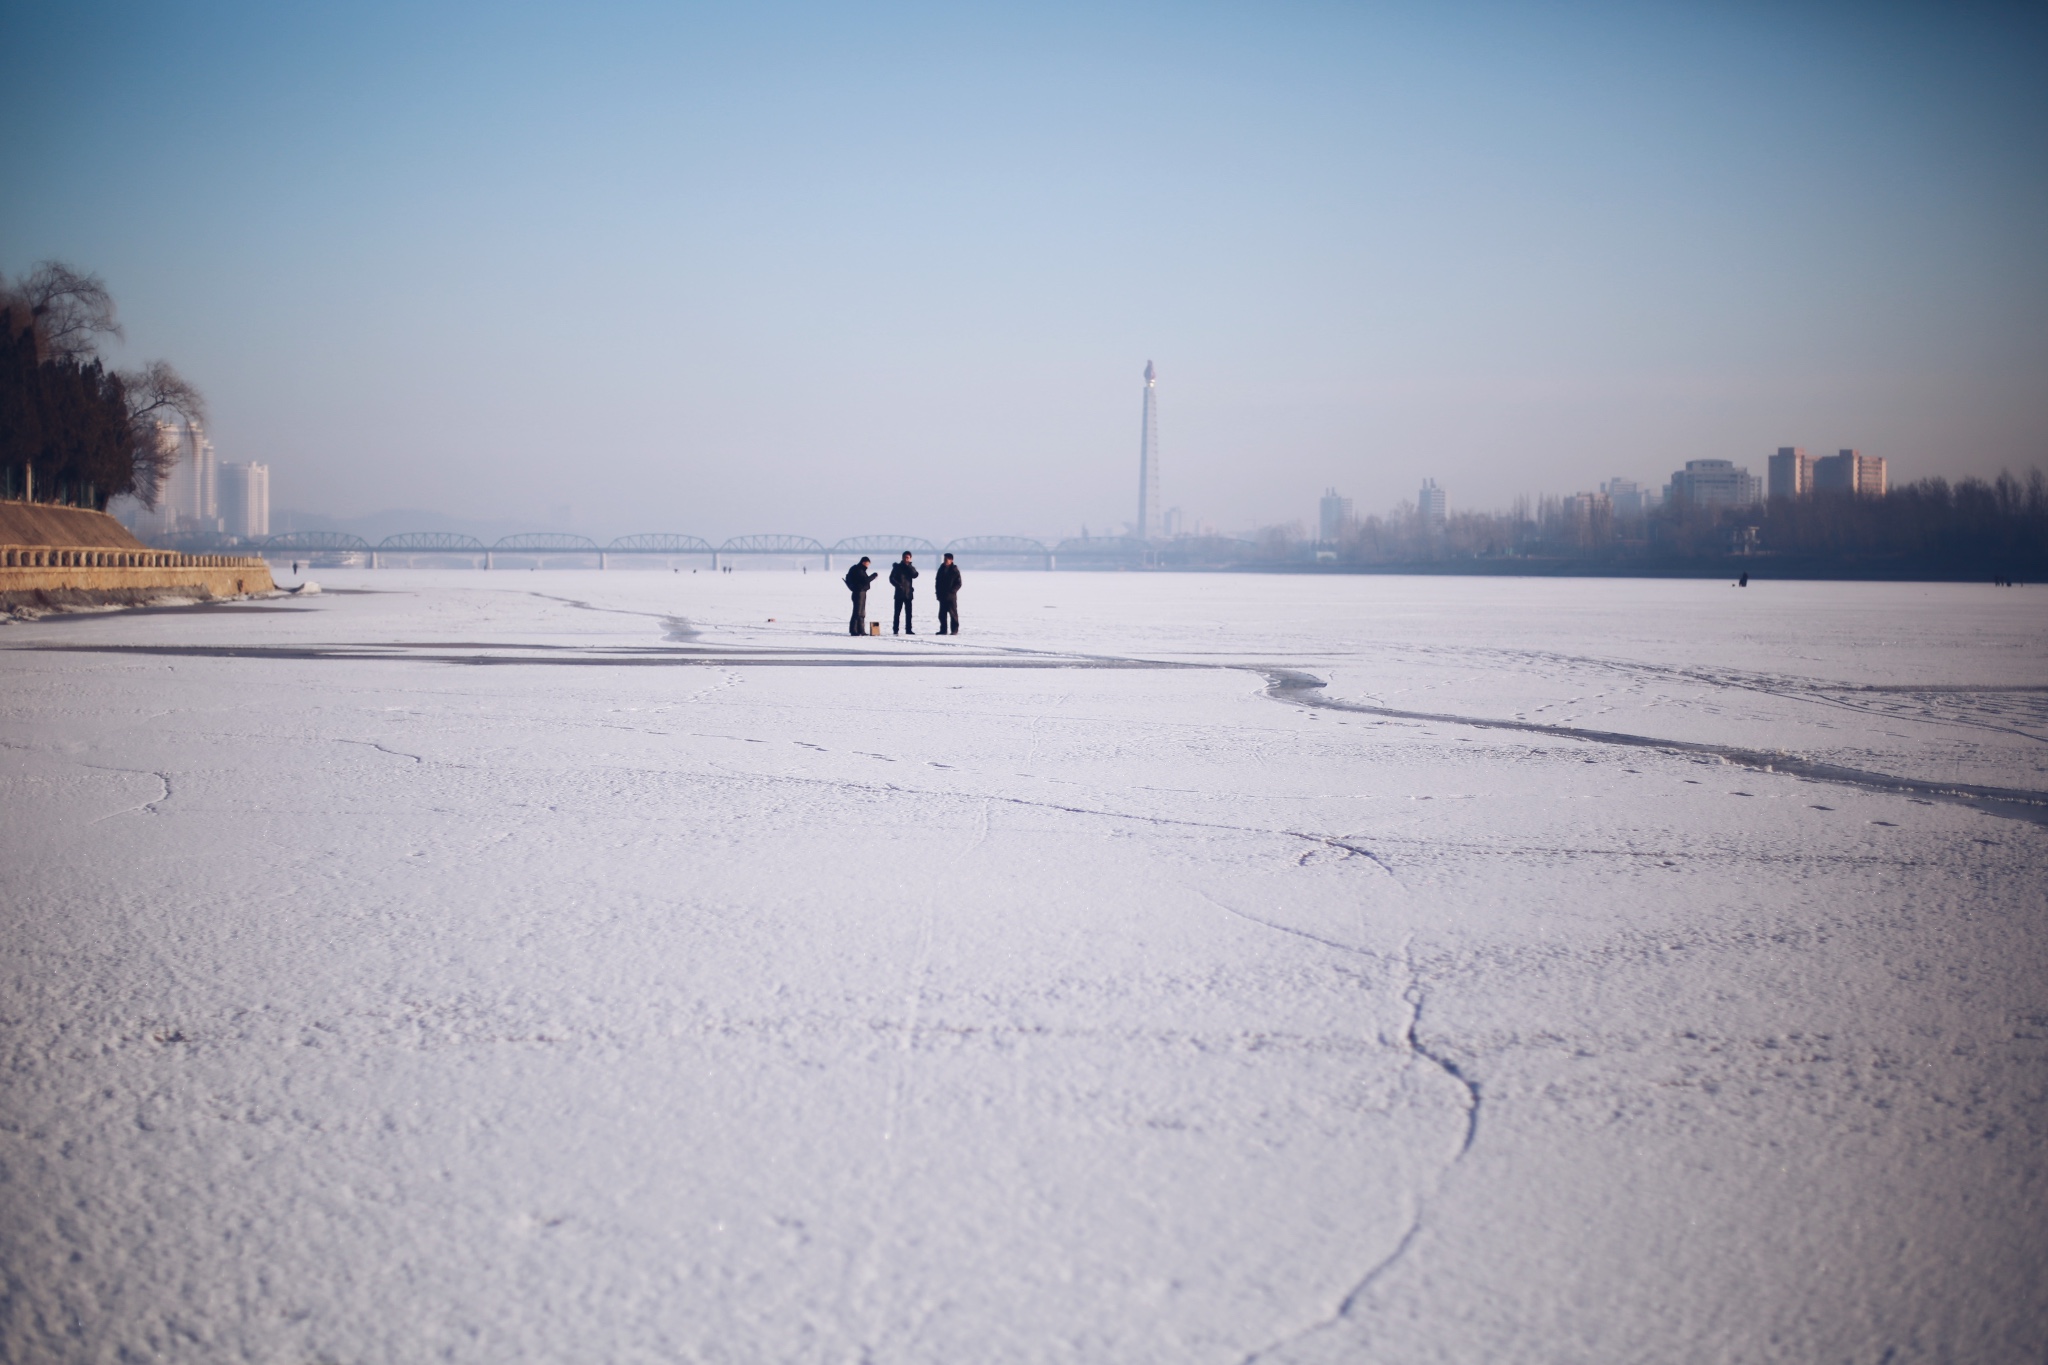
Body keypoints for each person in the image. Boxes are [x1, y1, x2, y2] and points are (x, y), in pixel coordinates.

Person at [844, 556, 876, 636]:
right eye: (867, 563)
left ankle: (861, 630)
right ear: (863, 562)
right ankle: (853, 630)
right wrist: (873, 576)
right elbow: (865, 580)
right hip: (858, 592)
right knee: (857, 612)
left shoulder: (860, 569)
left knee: (861, 612)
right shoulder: (858, 570)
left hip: (862, 592)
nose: (868, 565)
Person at [888, 551, 918, 634]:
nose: (906, 559)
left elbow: (915, 575)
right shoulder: (897, 567)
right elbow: (891, 578)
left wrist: (909, 566)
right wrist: (898, 585)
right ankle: (895, 629)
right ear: (902, 558)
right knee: (897, 613)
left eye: (908, 558)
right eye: (905, 557)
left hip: (908, 594)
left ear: (910, 558)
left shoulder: (911, 567)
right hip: (899, 594)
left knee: (909, 614)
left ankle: (908, 630)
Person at [935, 552, 962, 634]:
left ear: (951, 560)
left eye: (947, 559)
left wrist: (952, 591)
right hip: (942, 595)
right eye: (944, 559)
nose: (945, 561)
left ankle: (954, 630)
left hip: (951, 596)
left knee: (953, 614)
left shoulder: (954, 570)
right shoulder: (941, 568)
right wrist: (938, 593)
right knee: (942, 615)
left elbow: (959, 583)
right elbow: (937, 582)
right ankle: (943, 630)